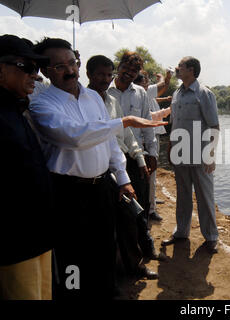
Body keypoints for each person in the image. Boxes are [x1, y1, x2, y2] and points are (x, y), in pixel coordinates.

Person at [29, 38, 165, 299]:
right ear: (45, 70)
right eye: (59, 67)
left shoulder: (93, 97)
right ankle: (74, 293)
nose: (70, 71)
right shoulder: (42, 104)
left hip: (102, 185)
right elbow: (74, 136)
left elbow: (109, 141)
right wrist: (123, 121)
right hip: (67, 190)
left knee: (104, 243)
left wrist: (123, 178)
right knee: (71, 251)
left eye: (72, 63)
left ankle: (107, 290)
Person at [86, 54, 159, 280]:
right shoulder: (81, 100)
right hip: (95, 169)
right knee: (104, 226)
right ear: (89, 75)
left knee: (132, 216)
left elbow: (126, 134)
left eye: (108, 75)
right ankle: (107, 276)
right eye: (101, 74)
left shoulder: (114, 101)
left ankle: (134, 266)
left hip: (120, 164)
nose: (105, 79)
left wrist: (141, 157)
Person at [0, 34, 55, 300]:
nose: (35, 75)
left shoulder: (16, 109)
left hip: (38, 236)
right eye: (27, 67)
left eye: (37, 69)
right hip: (15, 243)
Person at [162, 56, 220, 254]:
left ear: (192, 70)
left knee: (205, 196)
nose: (177, 68)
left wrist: (210, 155)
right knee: (183, 195)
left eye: (181, 66)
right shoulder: (177, 94)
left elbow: (214, 126)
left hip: (200, 154)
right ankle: (181, 232)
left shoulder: (204, 94)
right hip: (180, 154)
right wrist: (170, 147)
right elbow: (174, 124)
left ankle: (211, 237)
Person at [108, 52, 158, 222]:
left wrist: (152, 153)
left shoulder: (140, 93)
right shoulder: (104, 90)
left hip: (136, 157)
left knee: (139, 202)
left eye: (135, 70)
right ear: (119, 67)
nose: (129, 72)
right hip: (110, 157)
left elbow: (147, 125)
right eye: (126, 68)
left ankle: (142, 239)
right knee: (115, 202)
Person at [139, 70, 172, 221]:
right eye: (144, 80)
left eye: (147, 79)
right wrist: (170, 110)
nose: (147, 82)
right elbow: (149, 117)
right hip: (145, 137)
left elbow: (159, 93)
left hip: (152, 135)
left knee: (151, 173)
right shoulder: (141, 93)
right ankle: (149, 209)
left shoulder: (146, 93)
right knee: (148, 173)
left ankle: (151, 202)